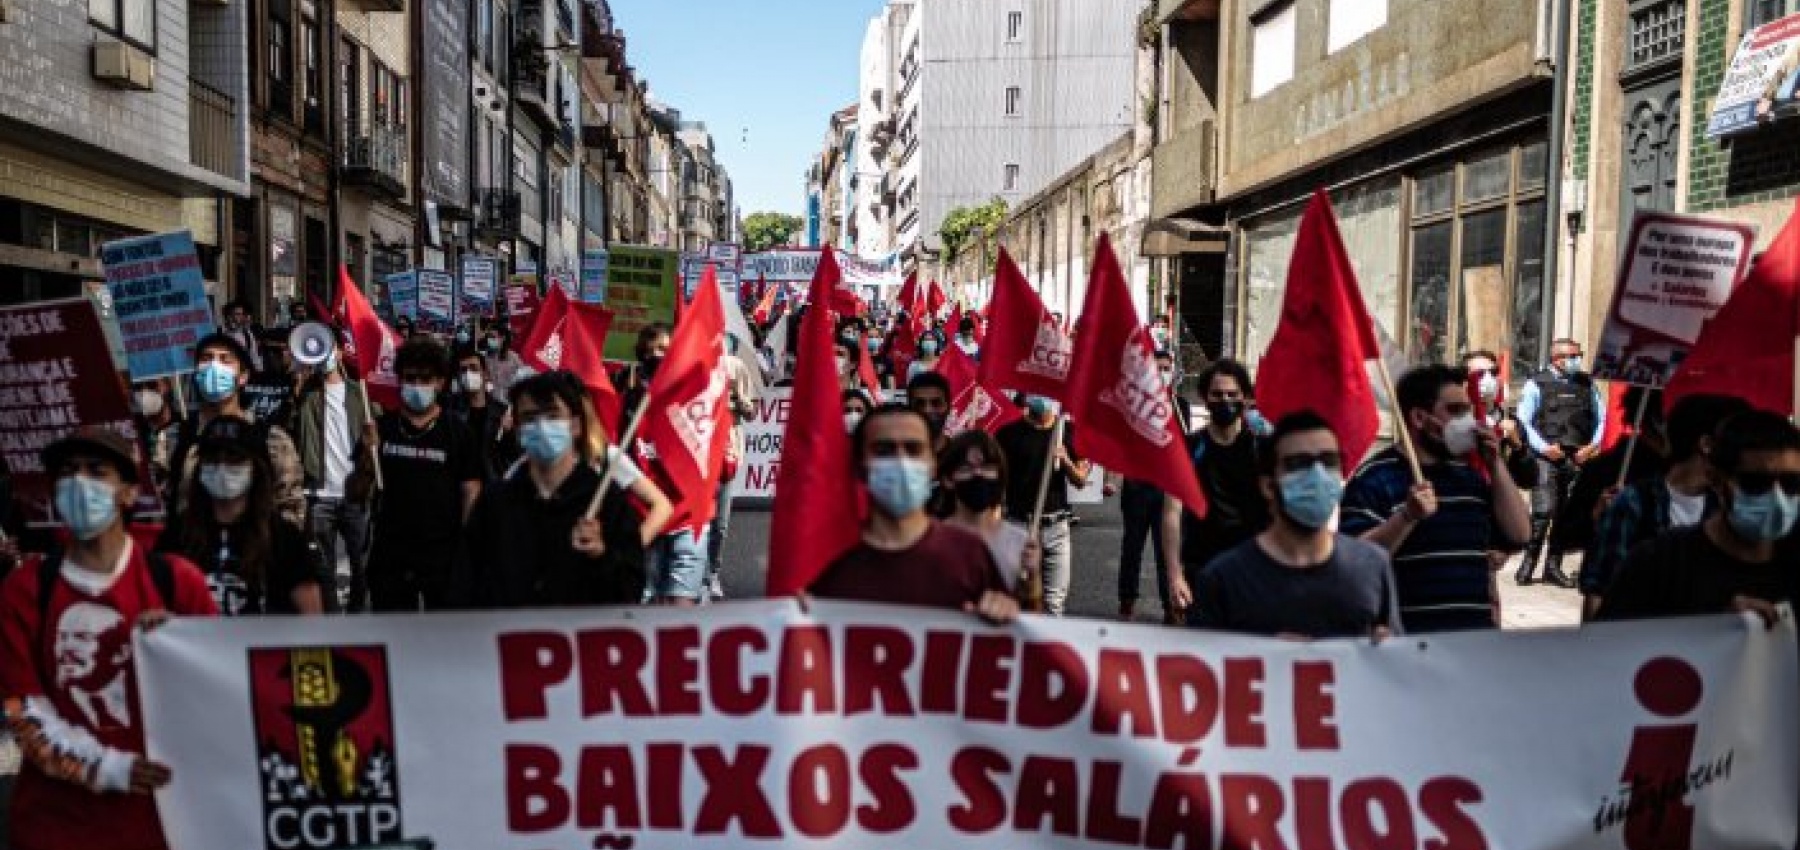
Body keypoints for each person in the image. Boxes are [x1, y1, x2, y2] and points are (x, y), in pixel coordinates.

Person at [0, 428, 218, 850]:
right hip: (54, 828)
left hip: (158, 826)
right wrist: (113, 769)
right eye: (67, 472)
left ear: (129, 493)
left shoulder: (176, 583)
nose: (80, 483)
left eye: (97, 471)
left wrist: (182, 647)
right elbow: (23, 712)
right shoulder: (25, 590)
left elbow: (218, 695)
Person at [458, 372, 674, 608]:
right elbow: (466, 585)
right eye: (530, 418)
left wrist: (601, 554)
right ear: (518, 430)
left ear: (576, 425)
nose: (542, 427)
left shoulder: (608, 501)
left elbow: (627, 593)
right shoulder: (495, 502)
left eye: (552, 416)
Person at [1342, 365, 1531, 633]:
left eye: (1468, 410)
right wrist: (1406, 517)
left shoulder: (1470, 477)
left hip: (1473, 641)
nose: (1468, 420)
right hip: (1408, 643)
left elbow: (1520, 534)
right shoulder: (1375, 478)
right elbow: (1352, 561)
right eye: (1455, 411)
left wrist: (1496, 463)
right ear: (1420, 418)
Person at [1191, 411, 1401, 640]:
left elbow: (1396, 658)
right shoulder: (1224, 578)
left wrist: (1389, 651)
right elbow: (1201, 667)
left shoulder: (1372, 566)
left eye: (1329, 462)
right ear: (1268, 486)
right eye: (1299, 464)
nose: (1317, 475)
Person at [809, 405, 1017, 623]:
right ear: (860, 466)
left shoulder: (970, 554)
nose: (901, 461)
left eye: (913, 449)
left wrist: (1005, 611)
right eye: (884, 450)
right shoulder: (827, 558)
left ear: (933, 465)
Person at [1597, 410, 1800, 623]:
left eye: (1791, 483)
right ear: (1716, 480)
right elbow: (1609, 649)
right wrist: (1709, 632)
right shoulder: (1659, 563)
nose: (1777, 497)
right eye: (1756, 484)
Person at [1581, 394, 1751, 619]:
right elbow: (1600, 591)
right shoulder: (1635, 502)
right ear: (1706, 445)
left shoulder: (1729, 507)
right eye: (1733, 441)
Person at [156, 417, 325, 616]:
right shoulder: (176, 536)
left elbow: (312, 617)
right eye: (212, 459)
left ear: (254, 467)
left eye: (233, 458)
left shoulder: (284, 538)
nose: (222, 466)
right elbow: (154, 603)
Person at [366, 338, 483, 611]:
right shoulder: (382, 428)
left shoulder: (458, 431)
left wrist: (466, 550)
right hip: (391, 555)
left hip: (442, 555)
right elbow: (357, 491)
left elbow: (471, 491)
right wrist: (366, 455)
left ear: (440, 382)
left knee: (443, 639)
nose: (416, 386)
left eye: (424, 379)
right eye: (409, 378)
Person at [1164, 359, 1272, 624]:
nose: (1225, 400)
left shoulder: (1264, 450)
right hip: (1201, 573)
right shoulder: (1188, 449)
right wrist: (1174, 575)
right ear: (1205, 398)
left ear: (1246, 399)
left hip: (1254, 573)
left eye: (1233, 395)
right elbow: (1171, 513)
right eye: (1217, 394)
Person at [165, 333, 305, 526]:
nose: (215, 366)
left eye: (225, 359)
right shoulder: (174, 437)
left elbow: (291, 505)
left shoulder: (271, 439)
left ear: (243, 377)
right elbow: (162, 503)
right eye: (206, 358)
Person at [290, 340, 379, 612]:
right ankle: (332, 622)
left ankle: (355, 617)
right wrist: (297, 388)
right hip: (319, 495)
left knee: (361, 565)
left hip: (356, 492)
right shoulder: (307, 394)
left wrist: (372, 441)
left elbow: (376, 439)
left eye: (329, 350)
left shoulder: (359, 392)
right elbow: (290, 424)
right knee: (323, 568)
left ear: (339, 353)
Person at [1515, 338, 1607, 587]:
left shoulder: (1587, 384)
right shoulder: (1537, 384)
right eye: (1574, 356)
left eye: (1579, 355)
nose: (1578, 360)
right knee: (1543, 513)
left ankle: (1553, 568)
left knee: (1566, 516)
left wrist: (1591, 447)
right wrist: (1544, 448)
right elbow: (1523, 421)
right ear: (1558, 358)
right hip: (1546, 458)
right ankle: (1528, 564)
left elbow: (1602, 419)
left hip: (1578, 458)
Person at [995, 394, 1089, 616]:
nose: (1041, 398)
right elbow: (997, 482)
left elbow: (1081, 480)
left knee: (1054, 604)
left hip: (1056, 529)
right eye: (1034, 392)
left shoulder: (1067, 431)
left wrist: (1065, 460)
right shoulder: (1007, 434)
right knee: (1018, 599)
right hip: (1018, 526)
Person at [939, 430, 1041, 592]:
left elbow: (1031, 610)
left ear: (999, 475)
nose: (978, 474)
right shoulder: (933, 539)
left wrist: (1032, 578)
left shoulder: (1020, 541)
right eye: (966, 468)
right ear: (948, 479)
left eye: (987, 467)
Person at [447, 345, 518, 481]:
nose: (468, 374)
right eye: (463, 370)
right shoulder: (449, 408)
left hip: (491, 483)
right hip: (458, 483)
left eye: (474, 368)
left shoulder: (502, 411)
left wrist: (510, 433)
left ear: (485, 374)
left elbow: (514, 455)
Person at [128, 377, 182, 497]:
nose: (144, 393)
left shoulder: (185, 430)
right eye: (138, 388)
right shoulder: (131, 433)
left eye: (152, 385)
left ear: (167, 386)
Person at [219, 299, 264, 372]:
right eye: (236, 314)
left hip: (242, 373)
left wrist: (259, 373)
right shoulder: (218, 333)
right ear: (228, 316)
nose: (239, 317)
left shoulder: (247, 334)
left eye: (241, 314)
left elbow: (254, 356)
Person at [906, 371, 952, 442]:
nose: (927, 410)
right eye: (919, 404)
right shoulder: (894, 452)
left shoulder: (961, 452)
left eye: (936, 403)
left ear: (948, 408)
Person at [484, 327, 528, 396]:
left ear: (502, 338)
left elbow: (523, 377)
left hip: (510, 396)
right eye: (488, 337)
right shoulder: (487, 357)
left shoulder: (513, 357)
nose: (489, 340)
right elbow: (487, 378)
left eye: (493, 337)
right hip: (494, 396)